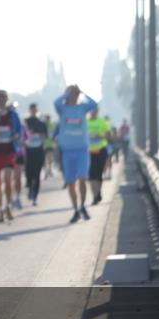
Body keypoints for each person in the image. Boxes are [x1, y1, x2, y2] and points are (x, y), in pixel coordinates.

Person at [54, 85, 98, 224]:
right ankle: (76, 210)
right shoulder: (62, 109)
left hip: (82, 150)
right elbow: (56, 102)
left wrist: (83, 92)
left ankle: (82, 205)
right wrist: (66, 94)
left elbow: (94, 104)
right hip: (67, 151)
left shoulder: (83, 108)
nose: (74, 95)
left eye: (75, 93)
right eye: (71, 93)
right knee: (71, 182)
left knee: (82, 178)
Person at [0, 90, 23, 223]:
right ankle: (1, 209)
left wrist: (16, 135)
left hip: (9, 150)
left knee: (8, 179)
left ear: (7, 99)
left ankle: (8, 205)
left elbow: (19, 129)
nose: (1, 99)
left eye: (4, 97)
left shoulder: (12, 115)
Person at [23, 103, 49, 205]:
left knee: (37, 174)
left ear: (37, 111)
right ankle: (30, 187)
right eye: (32, 109)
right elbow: (22, 134)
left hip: (39, 151)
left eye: (35, 109)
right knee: (28, 173)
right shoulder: (26, 122)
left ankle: (35, 196)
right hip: (28, 151)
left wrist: (41, 135)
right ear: (30, 110)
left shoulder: (41, 123)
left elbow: (46, 137)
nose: (34, 111)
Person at [87, 108, 112, 205]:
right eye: (92, 110)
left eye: (95, 110)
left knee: (99, 174)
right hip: (89, 152)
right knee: (91, 175)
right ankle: (94, 196)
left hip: (101, 150)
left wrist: (99, 136)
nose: (93, 112)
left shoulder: (102, 122)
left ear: (98, 111)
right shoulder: (85, 122)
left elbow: (109, 136)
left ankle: (98, 192)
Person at [42, 115, 57, 179]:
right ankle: (46, 171)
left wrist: (55, 142)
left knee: (50, 158)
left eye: (48, 118)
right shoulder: (43, 125)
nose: (47, 120)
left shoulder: (52, 125)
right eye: (46, 118)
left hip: (51, 144)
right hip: (44, 145)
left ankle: (50, 169)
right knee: (45, 159)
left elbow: (55, 134)